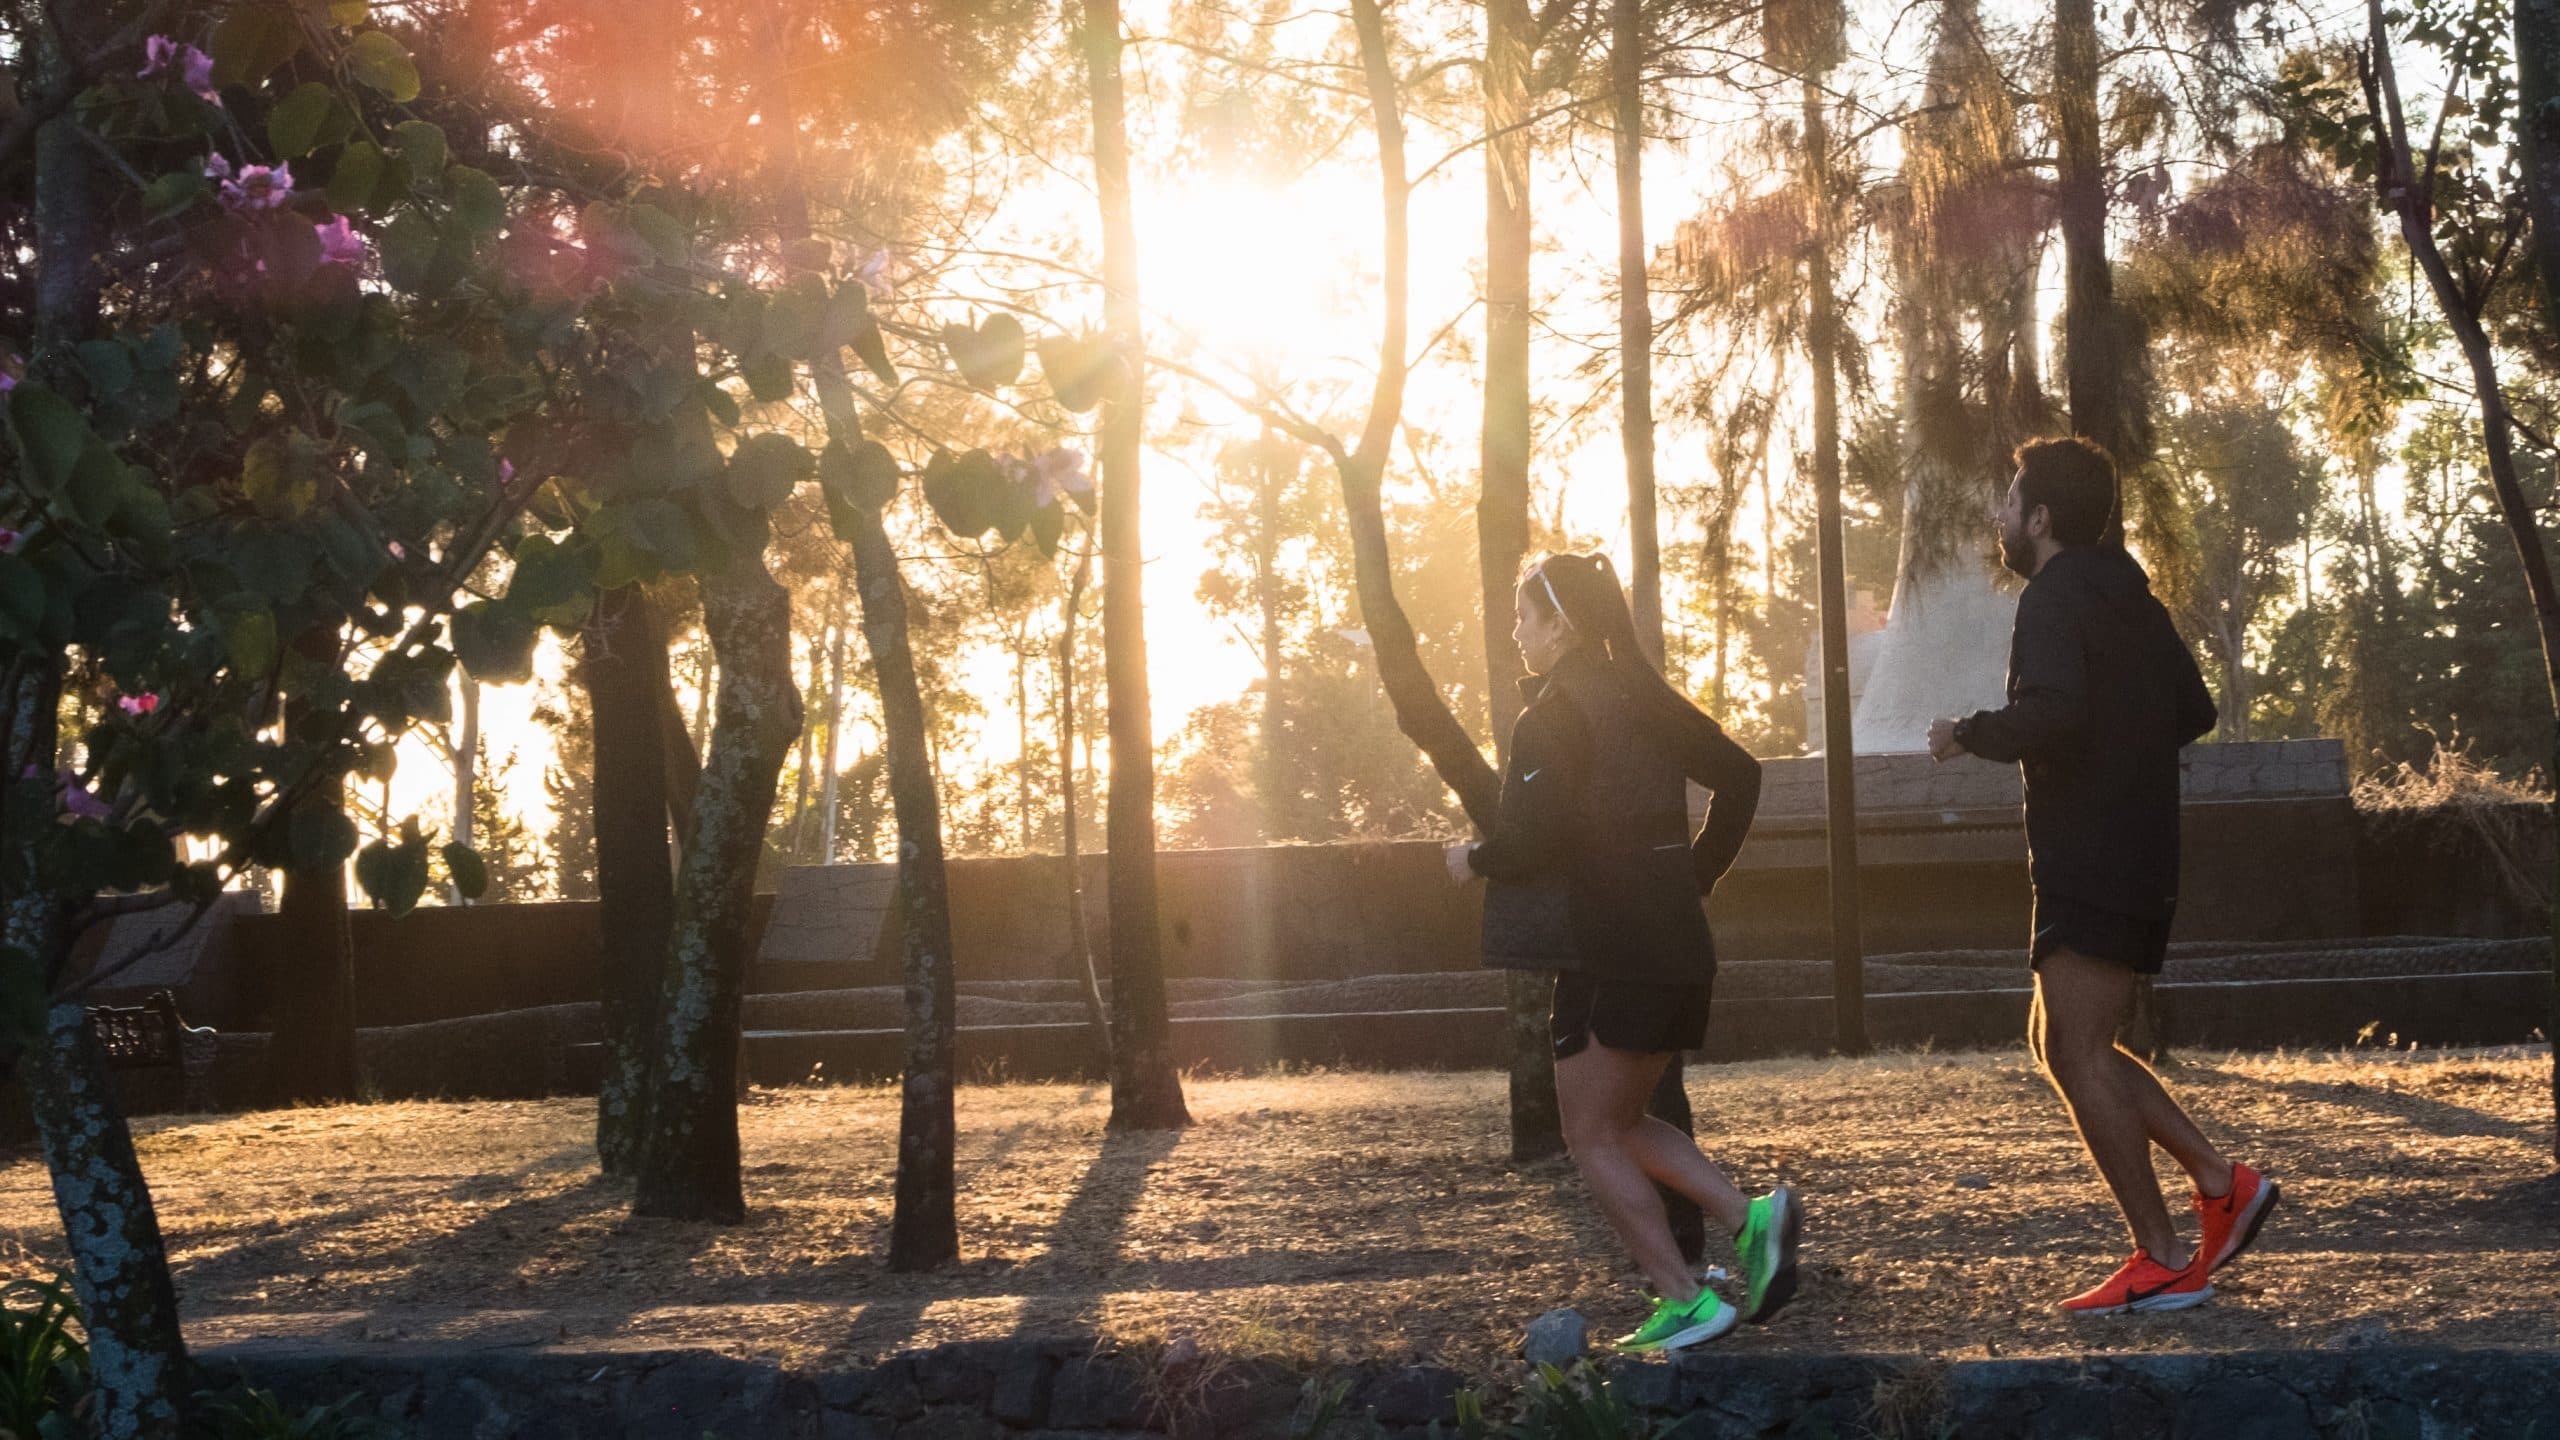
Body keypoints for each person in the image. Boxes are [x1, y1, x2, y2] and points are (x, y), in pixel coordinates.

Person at [1927, 436, 2278, 1316]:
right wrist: (2125, 756)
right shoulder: (2134, 598)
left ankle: (2162, 1253)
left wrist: (1967, 730)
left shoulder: (2053, 595)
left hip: (2092, 850)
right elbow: (2190, 709)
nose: (2001, 518)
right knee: (2061, 1044)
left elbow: (2055, 710)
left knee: (2077, 1051)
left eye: (2011, 503)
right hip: (2135, 845)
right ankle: (2216, 1179)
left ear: (2041, 519)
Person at [1446, 551, 1796, 1353]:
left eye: (1523, 616)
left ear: (1560, 622)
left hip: (1607, 948)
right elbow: (1742, 776)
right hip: (1674, 945)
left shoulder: (1555, 712)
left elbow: (1539, 836)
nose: (1516, 632)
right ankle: (1752, 1221)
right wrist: (1694, 875)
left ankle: (1685, 1297)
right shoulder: (1646, 698)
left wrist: (1474, 858)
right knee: (1625, 1118)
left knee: (1589, 1135)